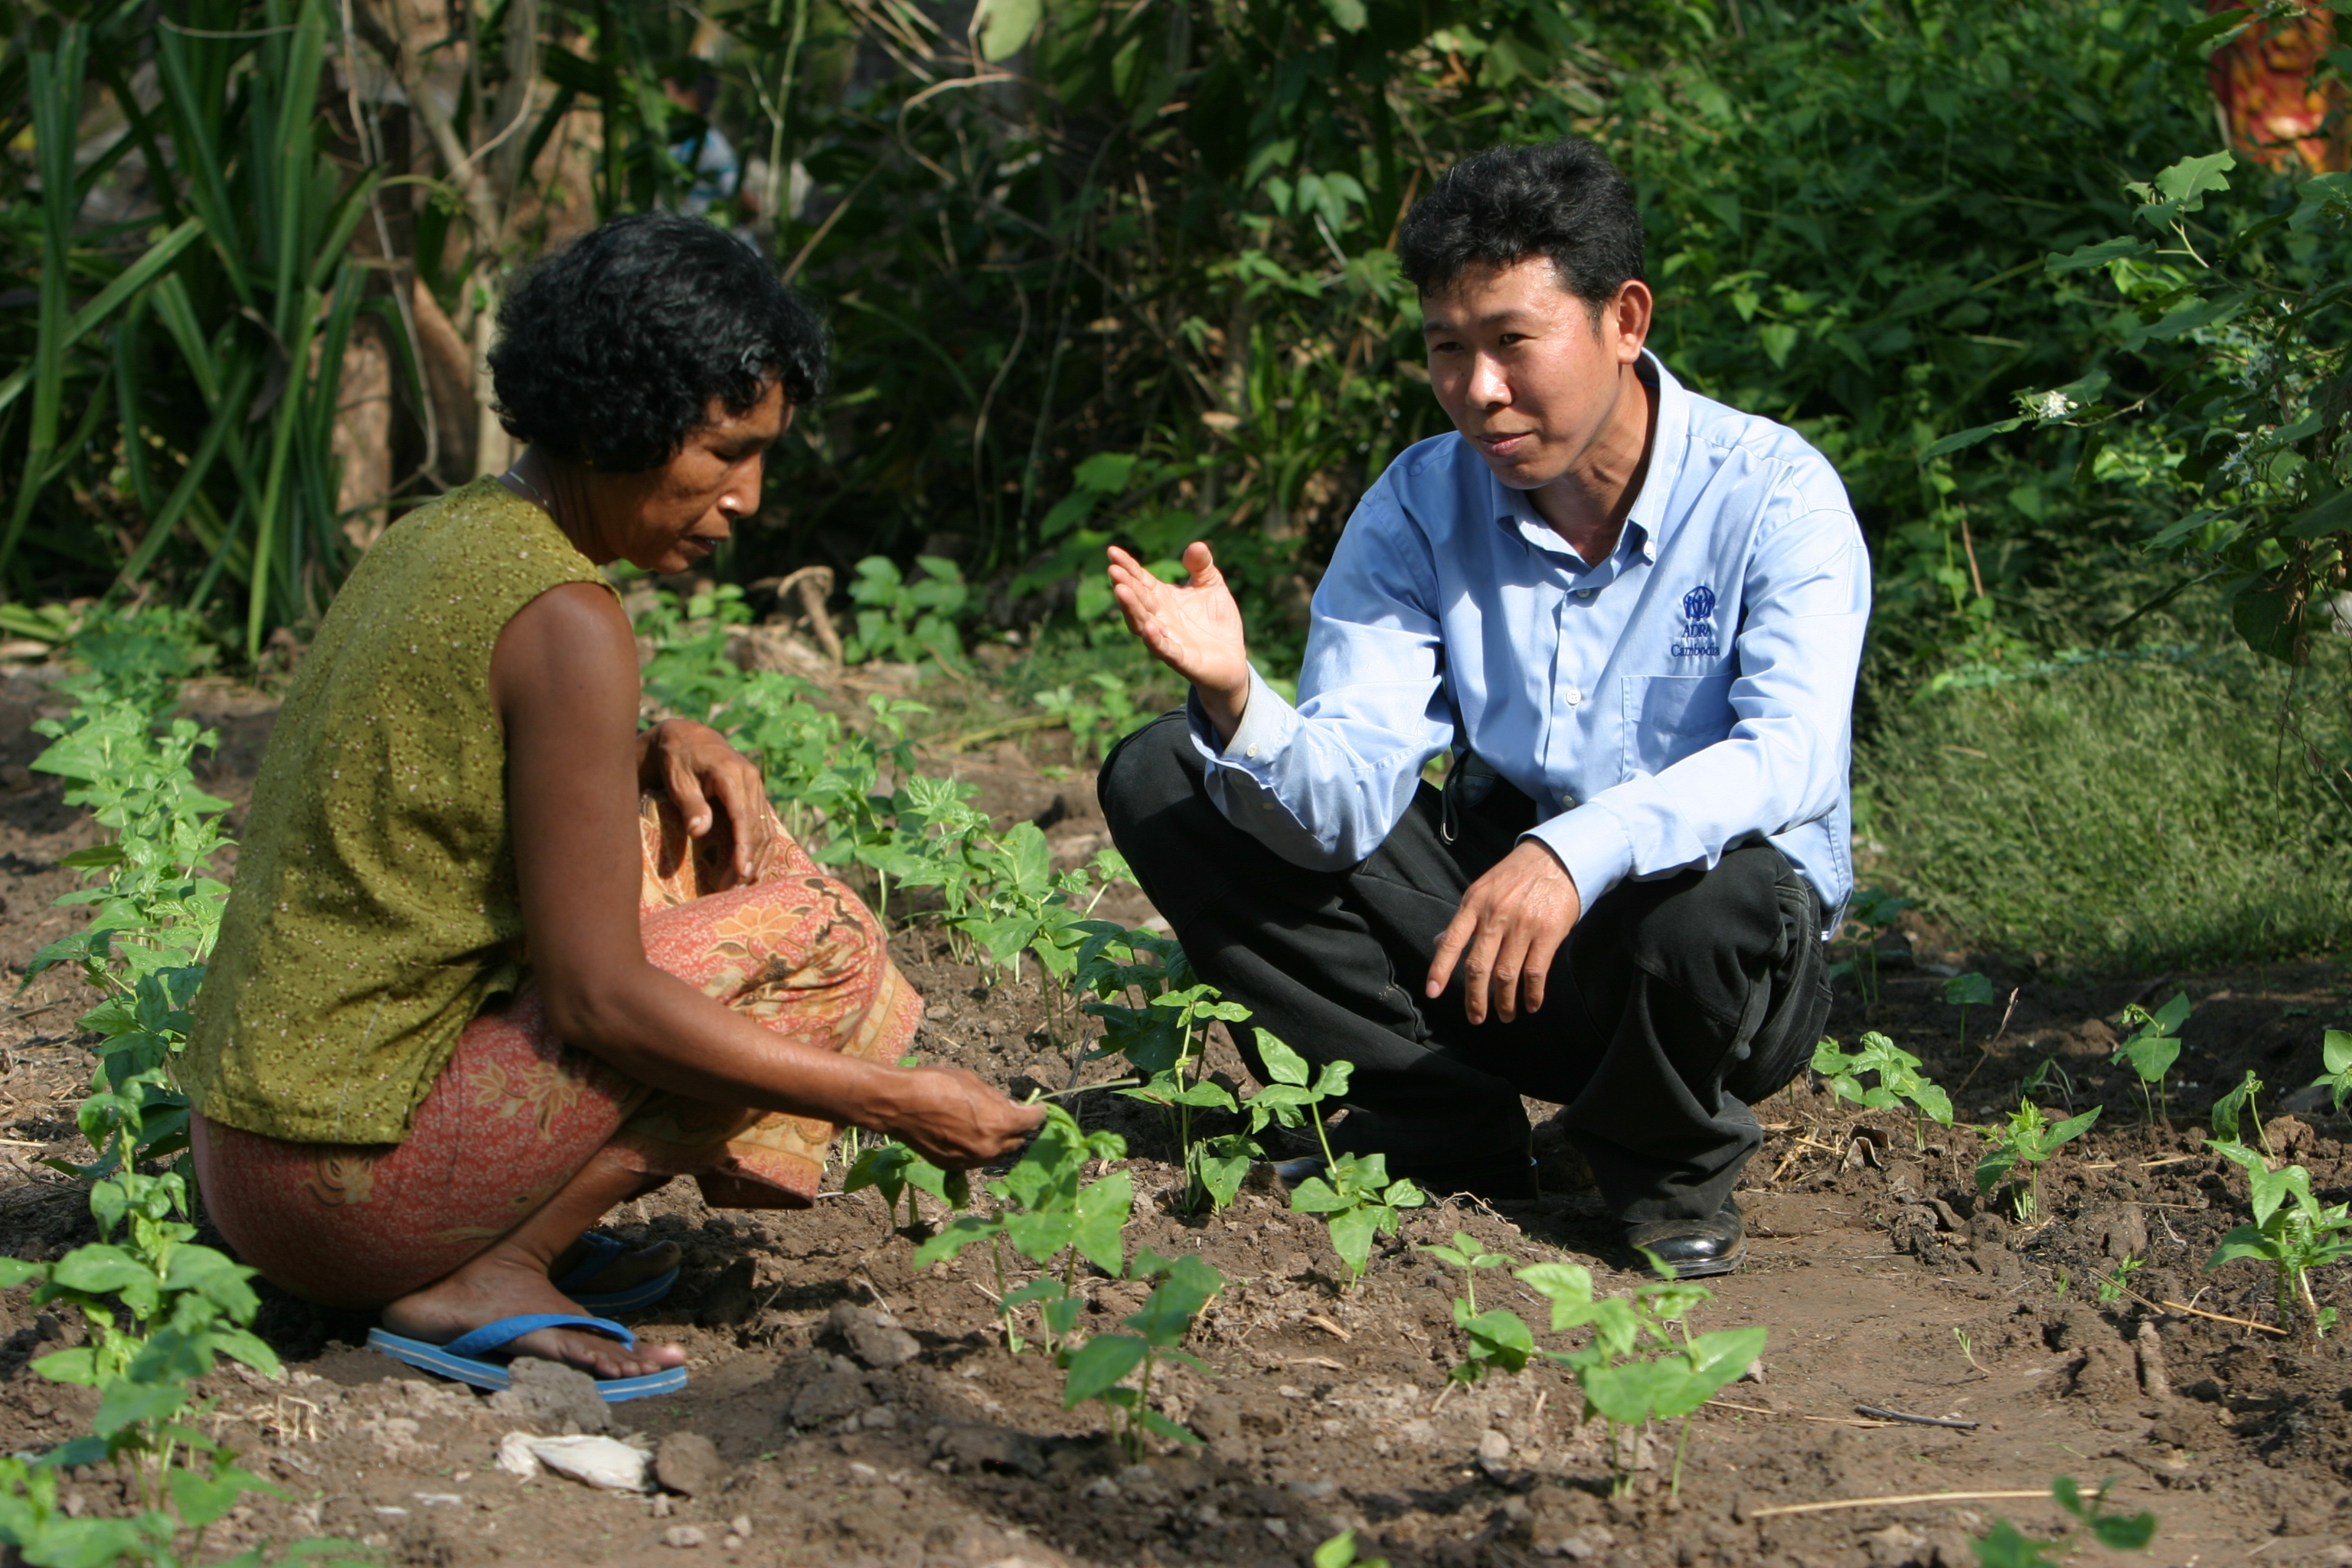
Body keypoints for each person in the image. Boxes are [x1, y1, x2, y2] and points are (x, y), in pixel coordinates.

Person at [185, 212, 1042, 1394]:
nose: (747, 498)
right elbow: (598, 1000)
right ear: (615, 417)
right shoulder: (567, 619)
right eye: (725, 451)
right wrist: (891, 1100)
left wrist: (645, 745)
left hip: (248, 1164)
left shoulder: (438, 535)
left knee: (695, 831)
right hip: (345, 1199)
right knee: (823, 939)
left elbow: (444, 758)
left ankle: (494, 1230)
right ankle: (494, 1266)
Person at [1096, 139, 1869, 1277]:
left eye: (1513, 342)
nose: (1479, 390)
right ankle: (1432, 1120)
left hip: (1702, 971)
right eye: (1447, 349)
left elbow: (1790, 755)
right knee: (1170, 772)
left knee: (1728, 897)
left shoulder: (1774, 495)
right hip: (1494, 948)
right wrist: (1237, 696)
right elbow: (1347, 801)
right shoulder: (1418, 504)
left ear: (1624, 320)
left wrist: (1576, 849)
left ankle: (1661, 1161)